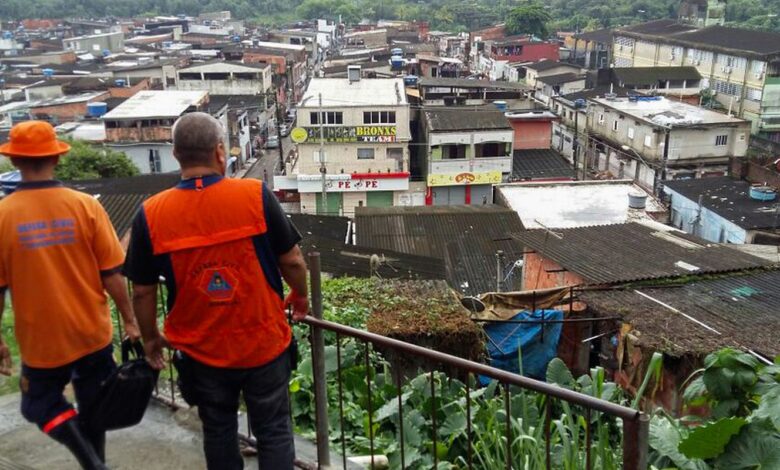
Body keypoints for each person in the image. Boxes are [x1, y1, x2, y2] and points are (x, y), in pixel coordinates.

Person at [123, 112, 309, 470]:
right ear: (220, 152)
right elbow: (292, 260)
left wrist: (150, 339)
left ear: (176, 155)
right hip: (263, 343)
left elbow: (142, 292)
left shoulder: (151, 214)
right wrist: (300, 296)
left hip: (200, 350)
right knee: (273, 431)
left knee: (218, 429)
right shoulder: (254, 195)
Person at [0, 121, 141, 470]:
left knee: (38, 405)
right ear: (56, 159)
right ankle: (96, 463)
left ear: (14, 161)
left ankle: (92, 465)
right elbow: (112, 274)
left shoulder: (3, 216)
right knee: (95, 408)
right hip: (91, 331)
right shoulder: (85, 206)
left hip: (42, 340)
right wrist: (129, 320)